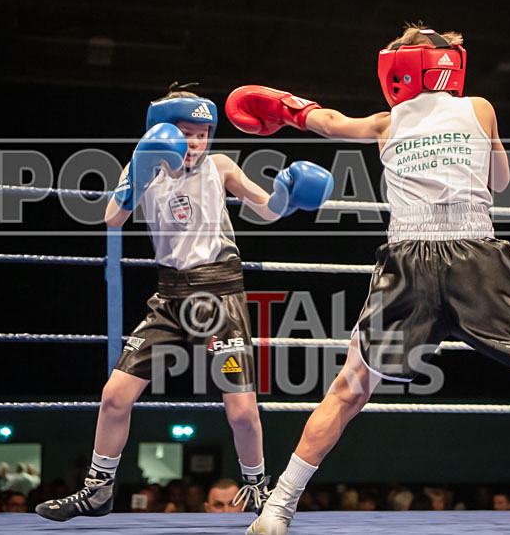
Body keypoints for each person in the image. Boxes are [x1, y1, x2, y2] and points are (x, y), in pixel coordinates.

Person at [225, 24, 510, 535]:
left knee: (348, 391)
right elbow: (501, 182)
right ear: (450, 67)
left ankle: (277, 509)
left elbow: (329, 123)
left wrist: (284, 106)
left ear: (398, 68)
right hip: (478, 255)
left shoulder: (388, 121)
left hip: (407, 260)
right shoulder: (480, 108)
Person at [35, 84, 333, 523]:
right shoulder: (142, 167)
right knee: (115, 396)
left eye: (202, 133)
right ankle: (97, 490)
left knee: (242, 411)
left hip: (220, 295)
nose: (195, 142)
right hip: (169, 299)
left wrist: (286, 198)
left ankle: (256, 491)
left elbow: (266, 209)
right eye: (185, 132)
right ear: (161, 131)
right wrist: (141, 166)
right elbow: (112, 218)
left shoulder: (220, 166)